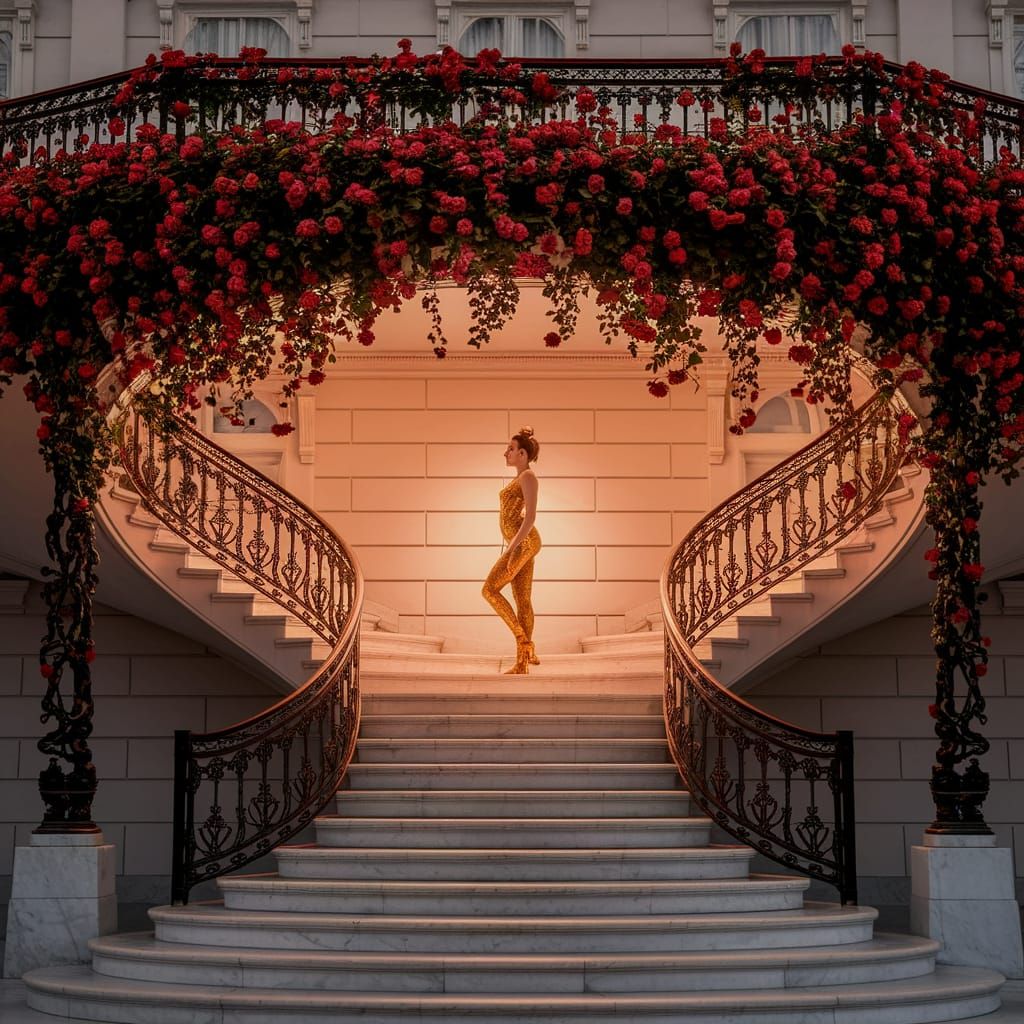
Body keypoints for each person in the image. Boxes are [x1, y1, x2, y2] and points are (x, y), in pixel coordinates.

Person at [482, 427, 541, 674]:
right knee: (522, 600)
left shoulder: (528, 477)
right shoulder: (521, 477)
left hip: (524, 543)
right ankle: (523, 661)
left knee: (490, 589)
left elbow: (530, 518)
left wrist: (511, 549)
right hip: (523, 543)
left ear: (523, 454)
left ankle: (523, 641)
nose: (505, 452)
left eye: (510, 449)